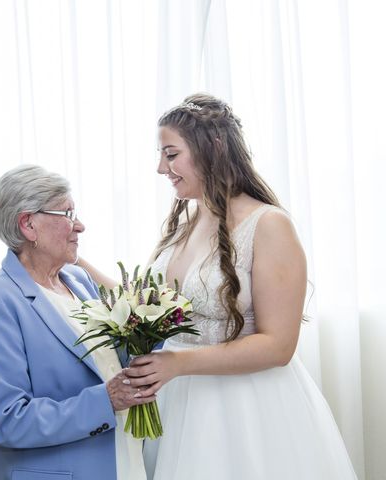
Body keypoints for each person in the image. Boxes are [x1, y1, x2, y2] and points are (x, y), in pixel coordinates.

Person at [80, 93, 357, 479]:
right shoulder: (185, 223)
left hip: (247, 410)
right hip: (179, 406)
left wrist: (178, 363)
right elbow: (143, 306)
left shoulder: (268, 225)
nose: (161, 167)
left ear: (212, 148)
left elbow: (279, 345)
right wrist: (75, 262)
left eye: (171, 154)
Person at [0, 164, 149, 480]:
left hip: (122, 463)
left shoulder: (78, 280)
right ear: (28, 224)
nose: (81, 226)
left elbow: (108, 364)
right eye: (68, 214)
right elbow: (9, 419)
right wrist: (106, 400)